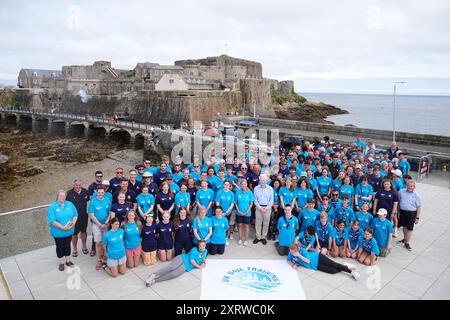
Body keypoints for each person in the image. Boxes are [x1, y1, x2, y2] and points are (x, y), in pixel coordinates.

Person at [288, 243, 359, 280]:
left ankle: (351, 272)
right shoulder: (292, 252)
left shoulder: (303, 251)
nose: (291, 253)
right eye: (291, 252)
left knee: (334, 264)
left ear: (297, 250)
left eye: (293, 252)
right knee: (332, 271)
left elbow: (308, 261)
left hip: (318, 257)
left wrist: (299, 255)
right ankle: (346, 266)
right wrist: (292, 264)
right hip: (315, 265)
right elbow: (288, 260)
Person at [47, 190, 78, 271]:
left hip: (69, 231)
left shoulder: (70, 204)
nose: (62, 197)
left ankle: (68, 261)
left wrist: (73, 223)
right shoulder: (52, 207)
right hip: (58, 233)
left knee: (67, 245)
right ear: (57, 196)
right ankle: (61, 262)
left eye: (64, 196)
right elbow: (52, 221)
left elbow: (75, 214)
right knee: (60, 247)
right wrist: (63, 228)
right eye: (60, 196)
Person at [88, 186, 111, 270]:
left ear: (104, 192)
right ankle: (98, 260)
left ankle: (105, 257)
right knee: (98, 242)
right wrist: (99, 225)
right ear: (96, 192)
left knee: (105, 242)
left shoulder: (107, 201)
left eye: (102, 192)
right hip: (96, 225)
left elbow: (109, 213)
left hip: (105, 224)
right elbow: (91, 215)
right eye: (99, 192)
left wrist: (105, 223)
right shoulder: (93, 202)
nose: (101, 194)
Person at [66, 179, 89, 257]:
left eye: (79, 185)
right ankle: (75, 249)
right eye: (76, 185)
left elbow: (91, 199)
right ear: (73, 185)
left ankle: (84, 246)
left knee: (83, 231)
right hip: (73, 218)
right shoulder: (68, 193)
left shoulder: (85, 191)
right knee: (74, 233)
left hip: (84, 216)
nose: (78, 187)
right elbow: (64, 205)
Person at [397, 180, 422, 251]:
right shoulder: (401, 191)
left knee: (410, 228)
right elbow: (399, 202)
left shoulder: (416, 195)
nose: (410, 187)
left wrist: (417, 218)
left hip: (411, 213)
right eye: (409, 185)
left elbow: (418, 207)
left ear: (414, 187)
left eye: (412, 186)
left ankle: (407, 243)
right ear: (406, 185)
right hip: (402, 212)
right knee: (404, 226)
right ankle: (405, 239)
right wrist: (398, 211)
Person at [253, 174, 274, 245]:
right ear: (259, 180)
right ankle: (258, 237)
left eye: (264, 180)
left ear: (267, 180)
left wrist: (267, 208)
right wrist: (260, 208)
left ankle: (263, 237)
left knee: (266, 223)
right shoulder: (256, 188)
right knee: (258, 223)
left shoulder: (270, 189)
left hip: (267, 208)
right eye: (261, 179)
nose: (263, 181)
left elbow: (271, 200)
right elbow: (255, 200)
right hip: (259, 208)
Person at [235, 180, 254, 246]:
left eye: (244, 184)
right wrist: (239, 211)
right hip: (239, 212)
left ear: (247, 184)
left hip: (247, 213)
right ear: (240, 185)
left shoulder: (250, 193)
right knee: (239, 225)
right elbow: (236, 203)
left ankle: (246, 240)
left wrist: (246, 211)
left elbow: (251, 203)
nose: (243, 185)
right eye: (242, 184)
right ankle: (240, 239)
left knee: (246, 226)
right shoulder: (238, 192)